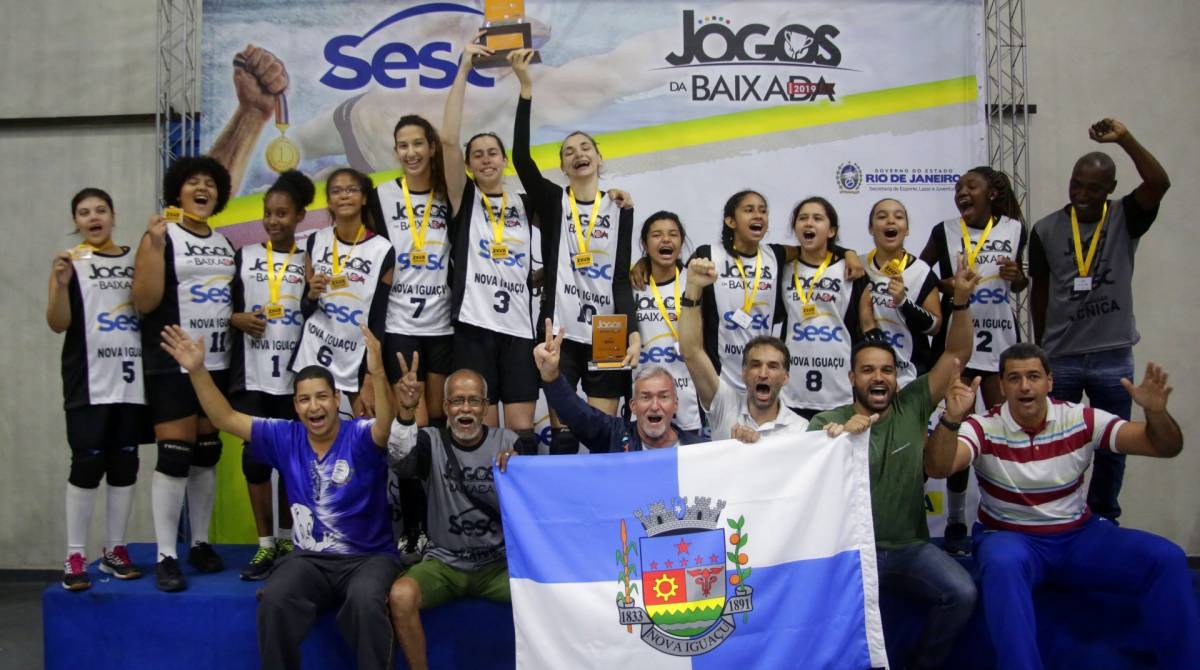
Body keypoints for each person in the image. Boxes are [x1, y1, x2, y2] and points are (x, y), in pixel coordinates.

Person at [926, 343, 1198, 670]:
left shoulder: (1079, 418)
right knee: (1003, 564)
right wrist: (952, 419)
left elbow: (1164, 446)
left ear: (1049, 382)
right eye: (1014, 378)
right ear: (1002, 385)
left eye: (1033, 377)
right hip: (1011, 537)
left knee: (1165, 557)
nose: (1025, 386)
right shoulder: (983, 426)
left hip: (1077, 537)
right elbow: (939, 467)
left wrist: (1155, 412)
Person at [160, 323, 398, 670]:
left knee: (366, 602)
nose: (313, 406)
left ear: (335, 400)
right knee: (274, 598)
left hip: (369, 558)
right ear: (296, 406)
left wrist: (377, 372)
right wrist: (197, 370)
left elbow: (385, 424)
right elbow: (223, 417)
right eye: (304, 399)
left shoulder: (360, 435)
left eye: (321, 397)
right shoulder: (284, 436)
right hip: (309, 560)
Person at [808, 256, 980, 670]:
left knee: (963, 592)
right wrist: (840, 439)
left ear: (897, 377)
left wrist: (959, 302)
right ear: (851, 378)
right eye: (867, 370)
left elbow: (956, 351)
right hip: (847, 553)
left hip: (908, 550)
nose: (878, 378)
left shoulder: (914, 403)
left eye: (886, 370)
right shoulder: (825, 422)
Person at [1029, 118, 1170, 524]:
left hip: (1112, 355)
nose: (1082, 194)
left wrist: (1126, 138)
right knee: (1059, 441)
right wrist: (1041, 350)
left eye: (1093, 188)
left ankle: (1105, 516)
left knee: (1113, 445)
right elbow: (1041, 291)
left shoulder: (1127, 216)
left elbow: (1159, 183)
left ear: (1110, 189)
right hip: (1062, 356)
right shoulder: (1046, 229)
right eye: (1076, 184)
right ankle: (1061, 514)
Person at [510, 49, 639, 455]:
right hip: (560, 329)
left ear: (600, 158)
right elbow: (520, 159)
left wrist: (633, 330)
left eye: (586, 147)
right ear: (563, 168)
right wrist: (526, 90)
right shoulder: (552, 201)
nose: (578, 153)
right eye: (569, 151)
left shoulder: (620, 208)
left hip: (608, 331)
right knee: (564, 435)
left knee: (604, 435)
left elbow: (619, 278)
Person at [133, 156, 236, 591]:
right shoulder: (161, 235)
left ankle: (199, 542)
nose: (202, 188)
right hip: (172, 360)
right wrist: (155, 246)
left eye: (210, 184)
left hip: (215, 362)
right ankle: (166, 555)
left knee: (206, 453)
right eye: (193, 182)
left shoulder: (225, 242)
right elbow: (144, 300)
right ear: (178, 192)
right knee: (175, 454)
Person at [47, 188, 151, 590]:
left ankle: (114, 550)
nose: (93, 217)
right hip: (87, 382)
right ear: (76, 221)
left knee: (125, 465)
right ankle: (75, 555)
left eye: (101, 210)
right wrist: (58, 284)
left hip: (130, 381)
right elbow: (57, 323)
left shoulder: (133, 257)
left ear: (113, 215)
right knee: (87, 465)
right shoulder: (69, 262)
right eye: (84, 212)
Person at [386, 362, 519, 670]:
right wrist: (406, 412)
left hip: (497, 565)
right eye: (457, 400)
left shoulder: (509, 443)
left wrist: (520, 464)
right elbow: (400, 463)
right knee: (401, 596)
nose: (466, 408)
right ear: (445, 406)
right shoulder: (429, 441)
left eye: (474, 400)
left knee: (544, 594)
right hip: (443, 564)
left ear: (486, 406)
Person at [921, 166, 1027, 554]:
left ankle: (1008, 512)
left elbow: (1019, 281)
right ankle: (955, 519)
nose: (961, 193)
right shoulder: (943, 231)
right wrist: (948, 285)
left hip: (1000, 345)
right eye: (958, 188)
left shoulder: (1015, 229)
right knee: (956, 431)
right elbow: (921, 277)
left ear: (993, 193)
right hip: (960, 346)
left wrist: (1018, 278)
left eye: (970, 187)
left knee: (1004, 432)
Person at [442, 38, 540, 455]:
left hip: (519, 330)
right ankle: (481, 516)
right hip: (475, 328)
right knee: (479, 435)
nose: (485, 159)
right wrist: (463, 69)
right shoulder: (465, 200)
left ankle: (520, 516)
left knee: (521, 434)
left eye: (492, 153)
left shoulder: (527, 203)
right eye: (477, 154)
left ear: (504, 160)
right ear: (468, 165)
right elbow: (447, 140)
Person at [228, 170, 314, 579]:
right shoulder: (244, 257)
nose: (273, 220)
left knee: (294, 461)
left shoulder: (309, 258)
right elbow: (224, 310)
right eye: (268, 213)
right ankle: (265, 545)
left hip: (295, 377)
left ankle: (290, 539)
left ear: (300, 216)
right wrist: (236, 317)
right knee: (256, 460)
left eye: (282, 213)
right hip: (254, 375)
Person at [291, 168, 394, 415]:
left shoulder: (382, 249)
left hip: (355, 359)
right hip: (312, 353)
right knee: (313, 431)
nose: (344, 196)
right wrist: (311, 295)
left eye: (352, 190)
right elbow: (305, 309)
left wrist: (371, 374)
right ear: (328, 201)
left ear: (364, 198)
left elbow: (379, 318)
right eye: (336, 191)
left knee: (363, 434)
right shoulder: (315, 241)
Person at [377, 114, 455, 427]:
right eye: (403, 146)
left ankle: (437, 478)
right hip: (399, 325)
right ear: (396, 152)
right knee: (414, 421)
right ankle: (410, 478)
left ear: (433, 147)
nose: (411, 152)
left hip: (442, 326)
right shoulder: (380, 195)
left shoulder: (450, 193)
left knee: (437, 418)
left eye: (418, 144)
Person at [679, 256, 806, 441]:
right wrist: (692, 288)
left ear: (786, 377)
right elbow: (691, 352)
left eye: (773, 366)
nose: (763, 373)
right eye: (755, 365)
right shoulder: (724, 404)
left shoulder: (801, 429)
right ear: (743, 373)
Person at [532, 319, 704, 452]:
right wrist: (551, 376)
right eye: (646, 397)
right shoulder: (614, 435)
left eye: (663, 397)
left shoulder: (697, 451)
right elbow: (576, 414)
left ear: (676, 404)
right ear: (633, 406)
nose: (654, 405)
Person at [780, 197, 864, 418]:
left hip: (838, 384)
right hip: (792, 385)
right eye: (802, 218)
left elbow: (865, 326)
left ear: (831, 230)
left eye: (817, 218)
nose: (809, 223)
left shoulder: (850, 270)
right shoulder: (783, 268)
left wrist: (849, 253)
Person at [859, 198, 942, 388]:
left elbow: (935, 326)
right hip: (867, 371)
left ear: (907, 228)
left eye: (898, 217)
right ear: (871, 228)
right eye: (882, 216)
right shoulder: (858, 266)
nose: (891, 221)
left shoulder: (921, 271)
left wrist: (904, 302)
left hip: (910, 373)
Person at [633, 211, 702, 438]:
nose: (665, 240)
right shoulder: (632, 284)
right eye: (656, 235)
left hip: (690, 395)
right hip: (645, 397)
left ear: (681, 242)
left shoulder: (694, 281)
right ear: (645, 243)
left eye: (673, 234)